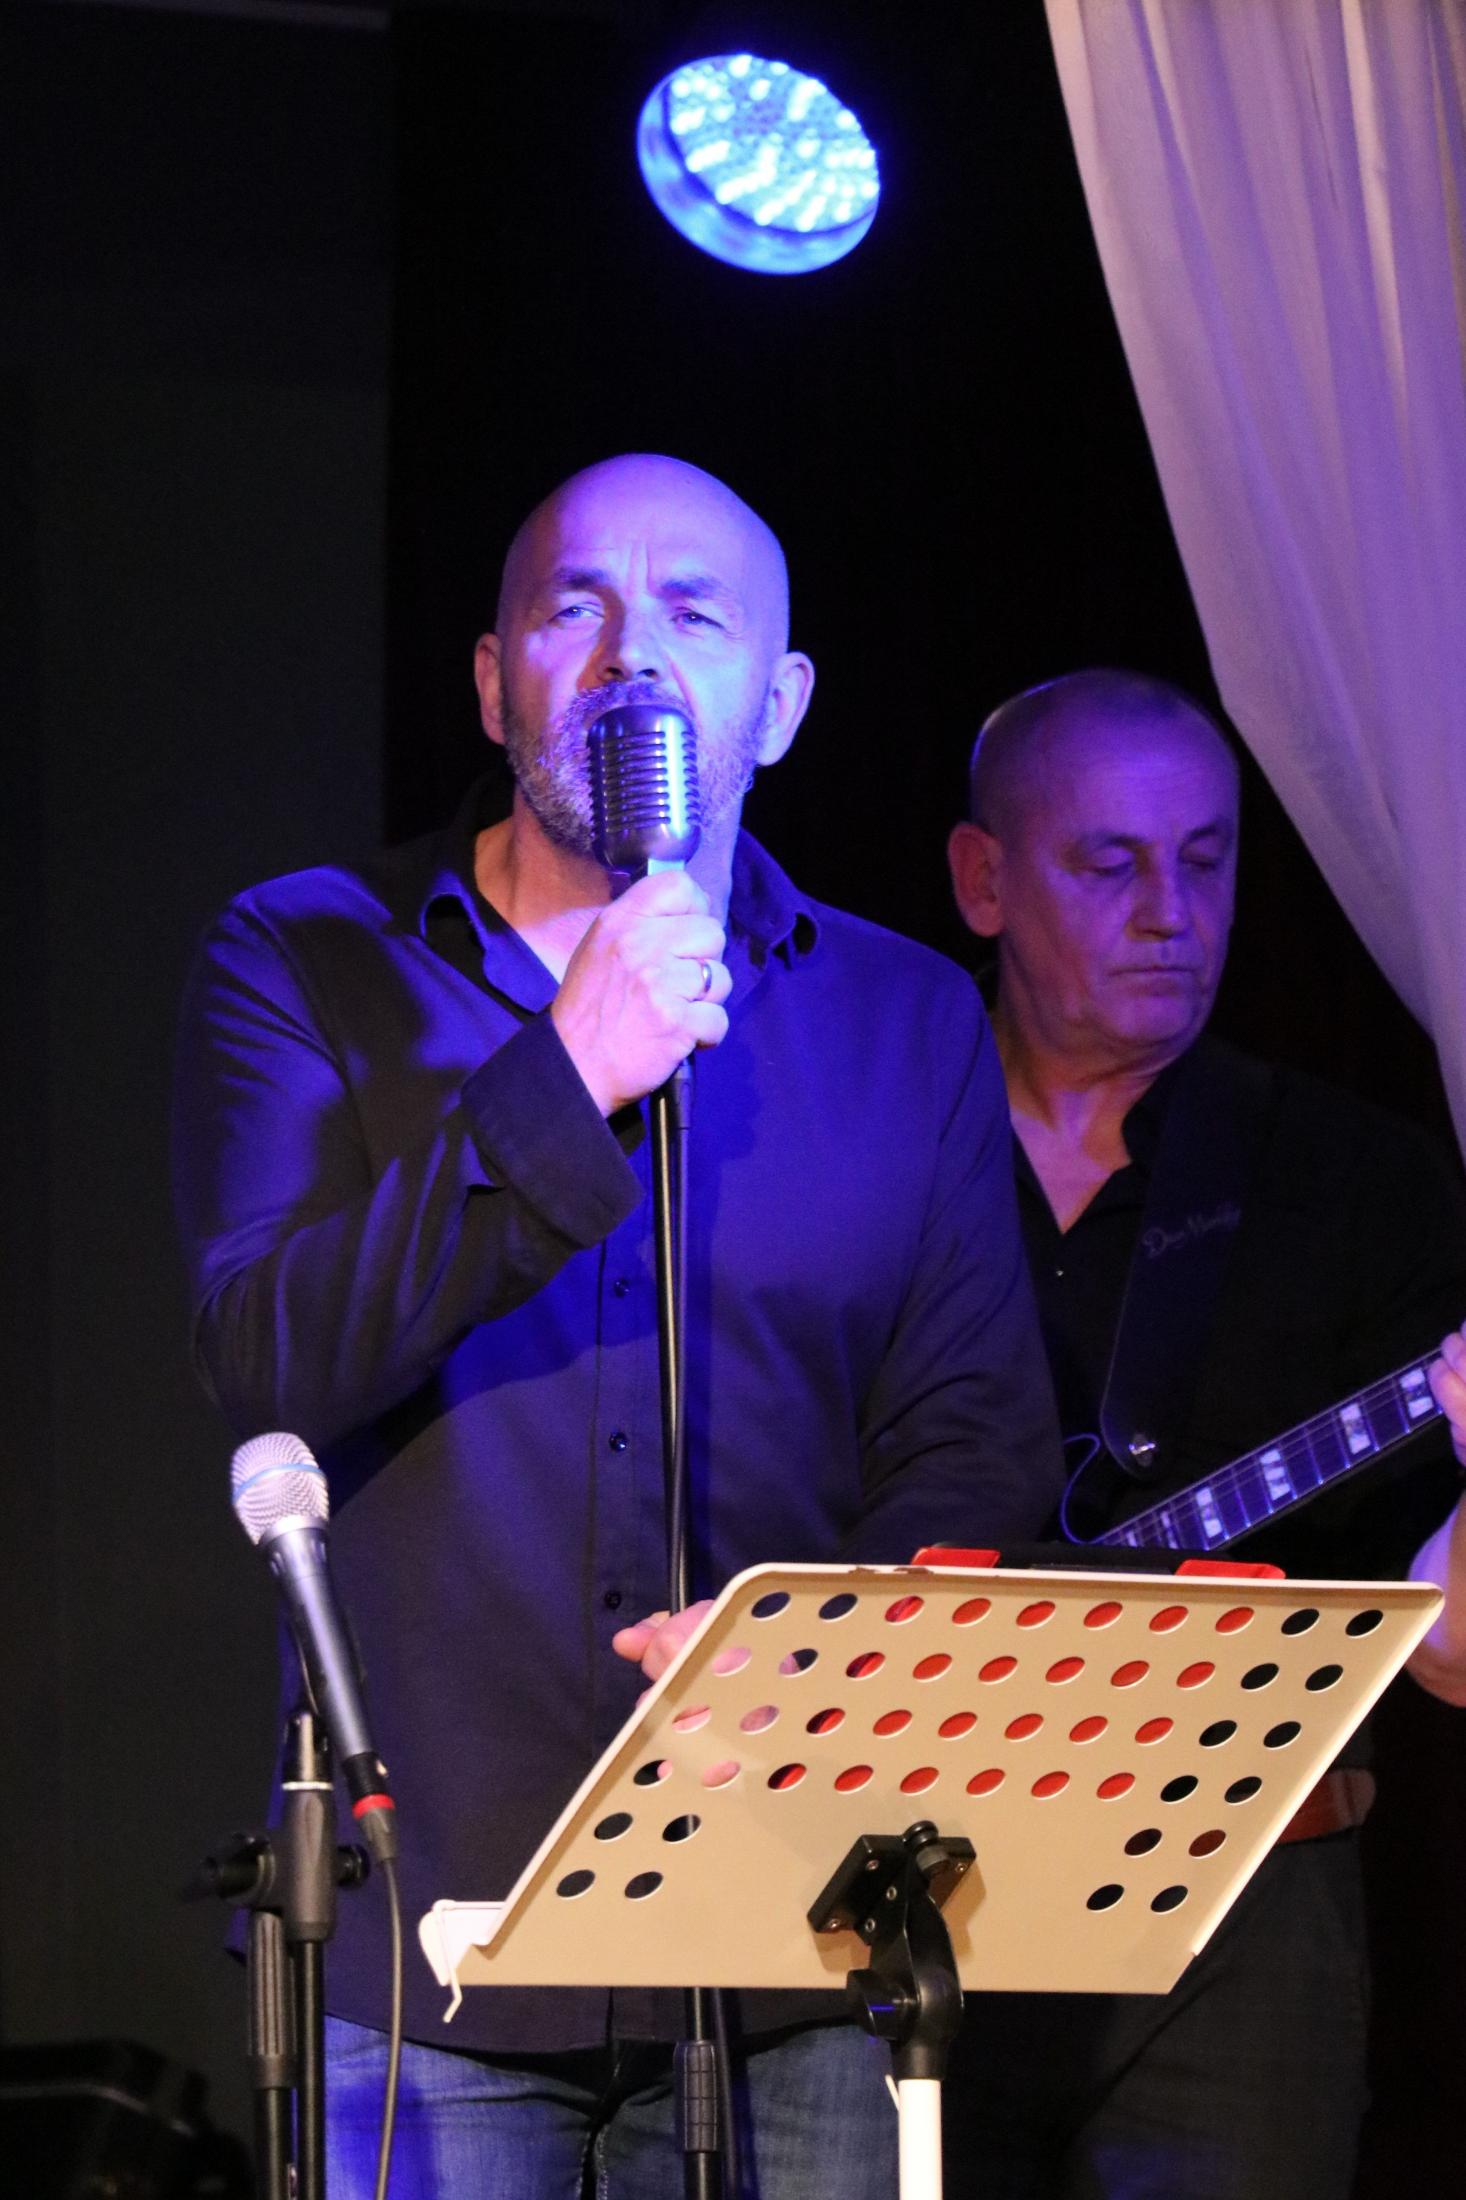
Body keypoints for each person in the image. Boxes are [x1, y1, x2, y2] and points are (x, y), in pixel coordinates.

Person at [172, 453, 1064, 2199]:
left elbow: (969, 1448)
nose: (630, 655)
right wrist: (565, 1072)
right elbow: (265, 1358)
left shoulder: (904, 1017)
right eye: (573, 606)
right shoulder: (303, 959)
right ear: (492, 681)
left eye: (693, 616)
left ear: (779, 705)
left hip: (792, 1925)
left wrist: (804, 1652)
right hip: (428, 1948)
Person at [943, 668, 1466, 2200]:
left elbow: (1445, 1651)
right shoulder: (878, 1134)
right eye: (1108, 865)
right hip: (904, 1892)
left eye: (1205, 859)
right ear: (982, 882)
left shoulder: (1357, 1179)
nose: (1170, 913)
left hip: (1241, 1904)